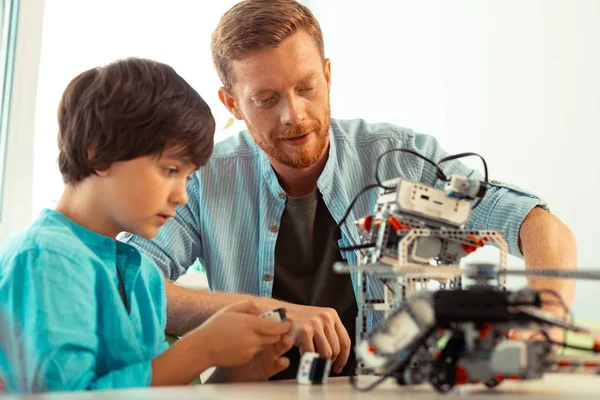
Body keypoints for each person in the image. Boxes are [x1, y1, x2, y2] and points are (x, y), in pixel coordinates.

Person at [124, 0, 577, 379]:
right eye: (266, 99)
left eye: (307, 87)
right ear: (232, 104)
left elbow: (537, 226)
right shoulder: (204, 180)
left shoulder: (403, 158)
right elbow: (125, 282)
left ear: (328, 74)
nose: (294, 115)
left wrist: (547, 318)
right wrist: (266, 310)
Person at [0, 58, 293, 393]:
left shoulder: (142, 274)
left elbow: (158, 388)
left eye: (187, 177)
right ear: (99, 155)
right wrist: (201, 348)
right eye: (170, 170)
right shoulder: (46, 259)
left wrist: (233, 373)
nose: (182, 195)